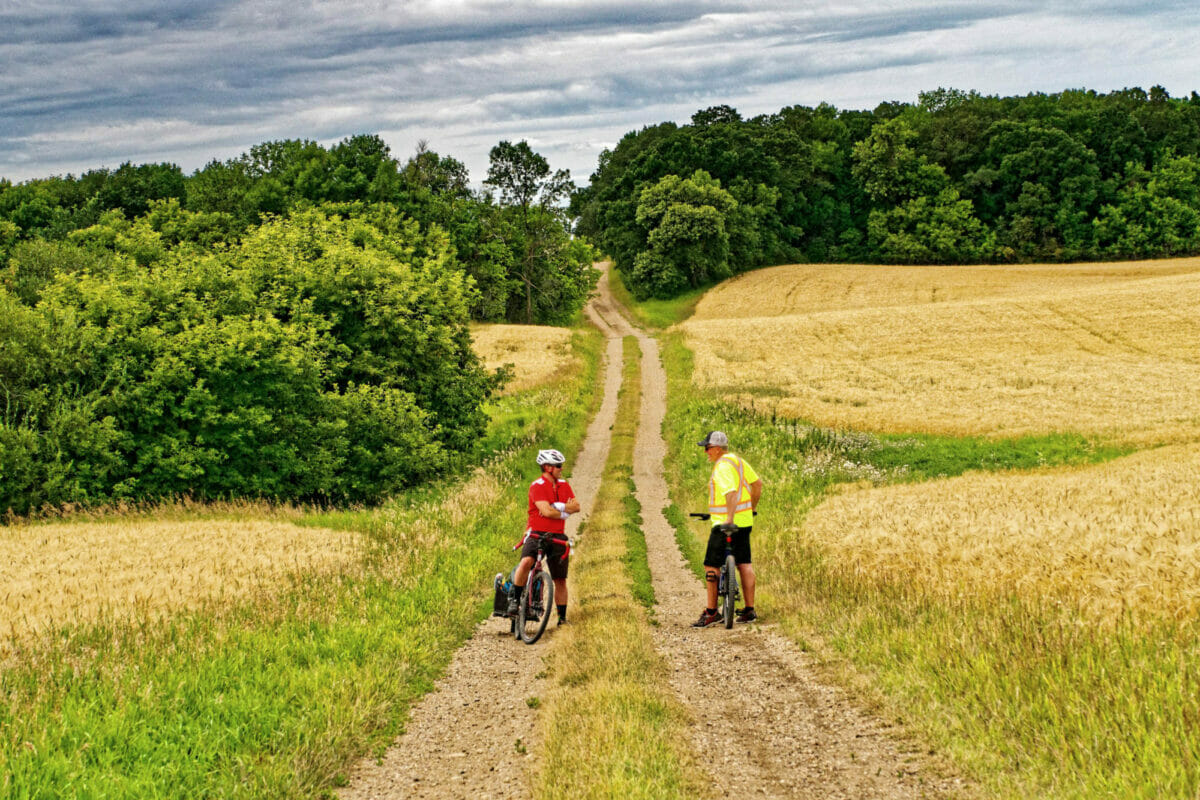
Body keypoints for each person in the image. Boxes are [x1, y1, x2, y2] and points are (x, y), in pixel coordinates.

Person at [693, 431, 763, 627]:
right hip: (745, 522)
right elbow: (757, 484)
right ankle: (749, 611)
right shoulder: (738, 462)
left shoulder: (722, 467)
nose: (706, 452)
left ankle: (712, 612)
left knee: (711, 566)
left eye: (707, 448)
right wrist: (752, 508)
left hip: (725, 524)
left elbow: (730, 494)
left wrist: (729, 519)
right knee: (744, 564)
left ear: (716, 449)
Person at [508, 448, 581, 626]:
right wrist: (564, 509)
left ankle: (562, 619)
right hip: (536, 533)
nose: (561, 468)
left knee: (560, 579)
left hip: (557, 535)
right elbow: (546, 511)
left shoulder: (564, 485)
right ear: (547, 467)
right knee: (526, 562)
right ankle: (515, 600)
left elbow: (577, 507)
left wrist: (556, 507)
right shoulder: (537, 486)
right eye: (558, 466)